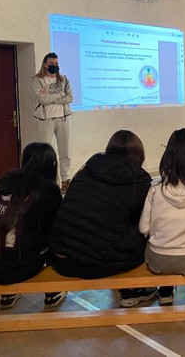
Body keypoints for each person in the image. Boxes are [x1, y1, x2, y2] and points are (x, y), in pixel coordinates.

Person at [49, 130, 155, 307]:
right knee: (144, 233)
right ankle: (132, 290)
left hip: (61, 258)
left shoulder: (85, 171)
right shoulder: (139, 181)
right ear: (139, 154)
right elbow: (143, 224)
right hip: (100, 264)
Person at [0, 143, 64, 310]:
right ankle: (53, 291)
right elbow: (53, 228)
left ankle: (9, 293)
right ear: (52, 164)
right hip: (12, 268)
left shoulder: (2, 181)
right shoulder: (48, 189)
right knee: (54, 237)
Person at [139, 128, 185, 305]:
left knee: (162, 240)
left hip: (157, 259)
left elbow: (143, 228)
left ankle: (165, 293)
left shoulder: (156, 188)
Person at [33, 52, 74, 192]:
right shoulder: (38, 80)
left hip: (63, 118)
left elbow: (70, 98)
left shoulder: (64, 79)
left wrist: (51, 96)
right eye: (52, 63)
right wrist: (61, 94)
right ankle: (47, 181)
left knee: (65, 151)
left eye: (56, 63)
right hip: (46, 120)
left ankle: (65, 180)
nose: (55, 66)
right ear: (45, 64)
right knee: (45, 152)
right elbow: (42, 100)